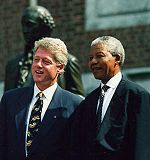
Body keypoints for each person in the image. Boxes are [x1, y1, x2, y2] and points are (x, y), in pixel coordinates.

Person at [0, 37, 83, 160]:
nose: (38, 65)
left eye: (46, 61)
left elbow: (77, 151)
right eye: (36, 60)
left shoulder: (75, 104)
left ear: (59, 68)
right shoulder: (10, 99)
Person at [69, 36, 150, 160]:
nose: (93, 62)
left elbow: (141, 147)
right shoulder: (89, 101)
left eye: (99, 56)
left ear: (116, 59)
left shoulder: (136, 95)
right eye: (91, 58)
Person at [4, 5, 84, 97]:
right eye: (23, 25)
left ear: (44, 27)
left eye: (30, 25)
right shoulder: (12, 64)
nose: (25, 30)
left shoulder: (69, 62)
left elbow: (78, 102)